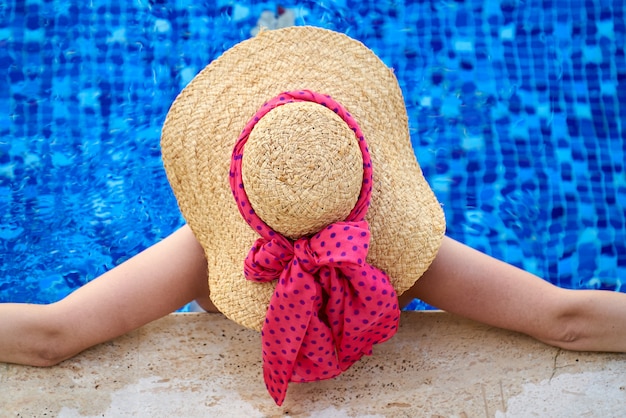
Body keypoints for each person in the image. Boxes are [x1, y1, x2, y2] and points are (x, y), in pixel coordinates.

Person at [1, 26, 625, 405]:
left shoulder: (200, 256)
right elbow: (563, 319)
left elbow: (52, 336)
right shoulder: (399, 250)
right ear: (367, 171)